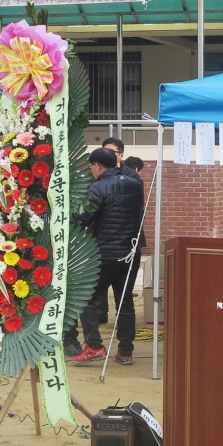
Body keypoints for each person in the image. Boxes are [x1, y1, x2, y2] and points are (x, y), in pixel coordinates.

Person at [71, 147, 144, 366]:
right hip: (131, 252)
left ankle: (94, 345)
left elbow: (83, 217)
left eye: (91, 166)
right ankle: (125, 351)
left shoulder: (98, 187)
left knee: (86, 297)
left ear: (97, 166)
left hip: (105, 253)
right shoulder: (135, 184)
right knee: (125, 301)